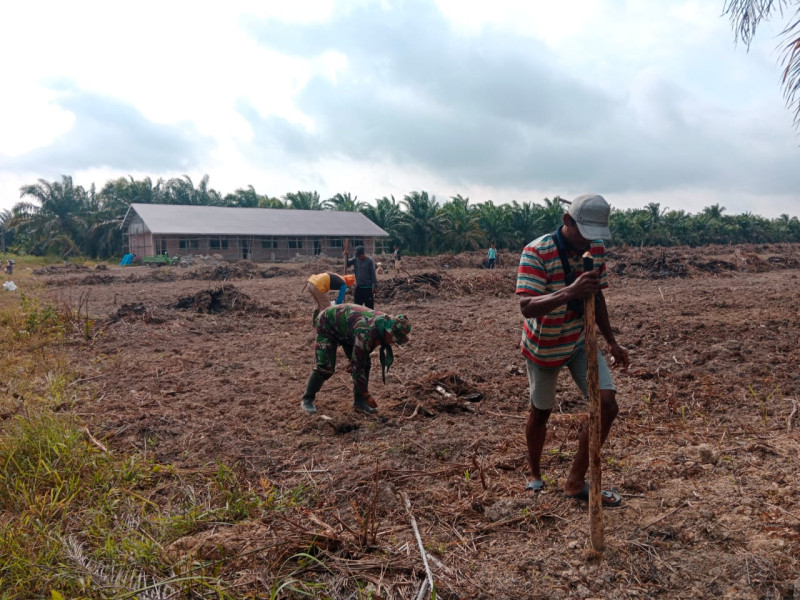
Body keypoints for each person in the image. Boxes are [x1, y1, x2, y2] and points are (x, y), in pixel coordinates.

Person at [516, 193, 629, 507]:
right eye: (585, 234)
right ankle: (535, 474)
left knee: (607, 406)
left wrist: (611, 341)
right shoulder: (536, 252)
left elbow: (598, 296)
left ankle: (575, 481)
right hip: (543, 348)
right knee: (541, 412)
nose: (589, 243)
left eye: (596, 237)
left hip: (579, 342)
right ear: (567, 221)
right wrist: (570, 291)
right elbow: (527, 307)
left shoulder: (594, 249)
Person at [301, 304, 411, 415]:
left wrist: (355, 361)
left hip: (348, 330)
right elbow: (358, 366)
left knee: (365, 363)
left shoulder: (383, 324)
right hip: (328, 323)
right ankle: (307, 399)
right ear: (388, 332)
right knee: (325, 367)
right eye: (394, 339)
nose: (393, 342)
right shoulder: (366, 332)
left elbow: (367, 348)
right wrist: (367, 395)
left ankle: (359, 403)